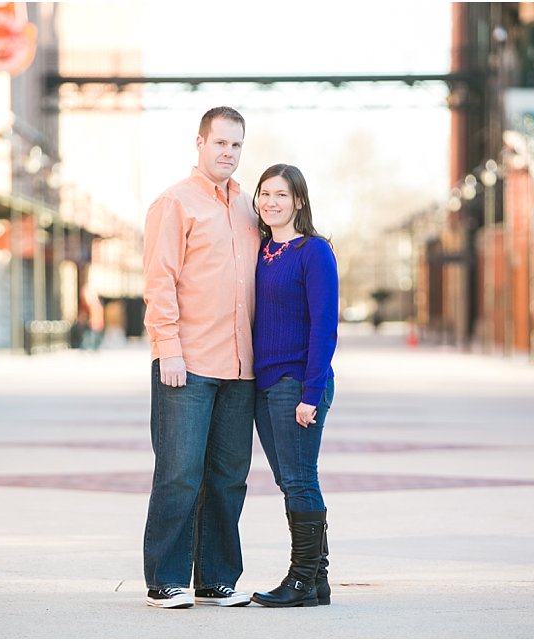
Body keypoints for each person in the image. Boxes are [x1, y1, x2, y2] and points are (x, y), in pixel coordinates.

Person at [142, 106, 260, 609]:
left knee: (229, 477)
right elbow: (158, 282)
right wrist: (167, 349)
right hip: (186, 366)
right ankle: (165, 579)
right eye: (220, 143)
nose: (228, 153)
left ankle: (216, 578)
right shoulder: (175, 203)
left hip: (241, 368)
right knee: (179, 473)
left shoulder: (248, 209)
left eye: (236, 145)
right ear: (200, 143)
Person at [249, 164, 339, 608]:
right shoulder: (262, 249)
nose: (271, 202)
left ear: (298, 201)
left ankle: (302, 580)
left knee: (301, 479)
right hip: (263, 383)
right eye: (265, 193)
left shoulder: (314, 251)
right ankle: (317, 580)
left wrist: (310, 394)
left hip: (296, 382)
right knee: (291, 480)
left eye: (281, 194)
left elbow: (324, 328)